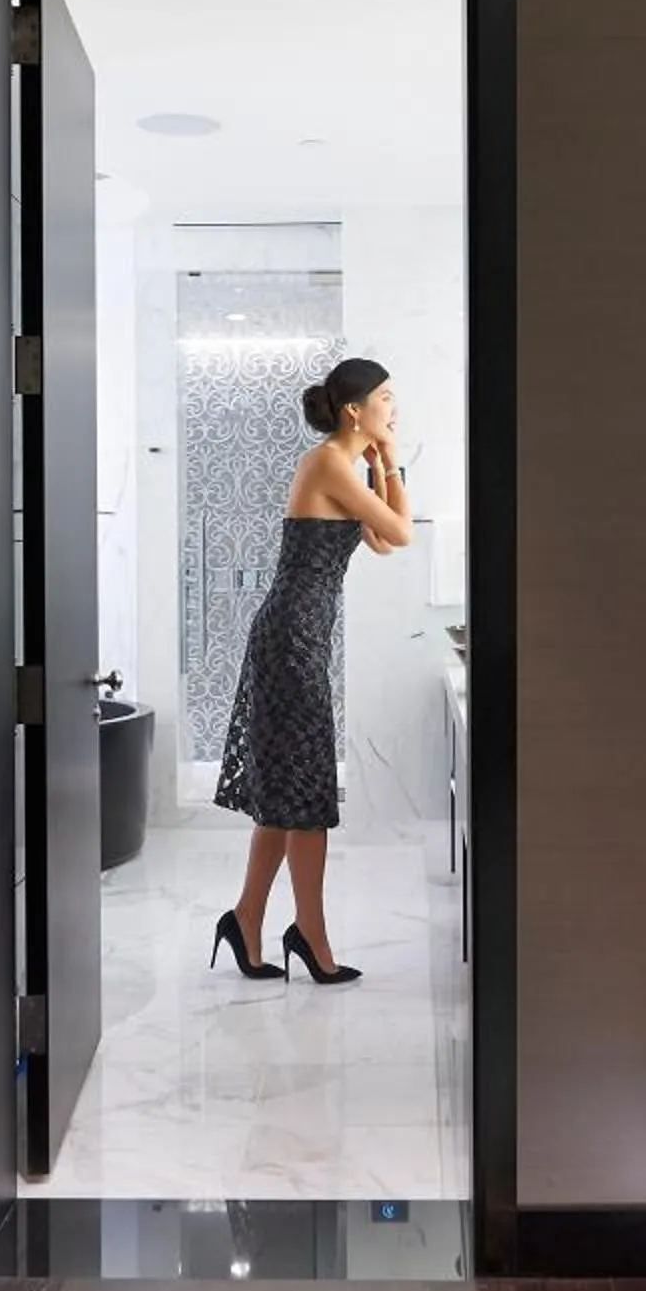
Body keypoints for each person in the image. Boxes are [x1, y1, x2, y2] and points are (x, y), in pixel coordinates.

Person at [210, 355, 412, 986]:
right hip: (292, 639)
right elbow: (401, 534)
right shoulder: (327, 461)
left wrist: (383, 462)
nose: (392, 409)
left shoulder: (344, 467)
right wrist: (385, 459)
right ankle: (311, 935)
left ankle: (246, 919)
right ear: (355, 411)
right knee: (306, 792)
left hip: (296, 636)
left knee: (285, 791)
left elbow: (380, 539)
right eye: (385, 399)